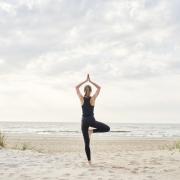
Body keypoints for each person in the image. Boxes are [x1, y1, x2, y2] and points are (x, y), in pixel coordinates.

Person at [75, 74, 110, 165]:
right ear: (90, 91)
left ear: (84, 91)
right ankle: (92, 132)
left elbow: (76, 87)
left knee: (86, 143)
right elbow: (99, 88)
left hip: (84, 122)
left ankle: (89, 162)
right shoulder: (93, 98)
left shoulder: (81, 98)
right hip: (91, 120)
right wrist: (90, 81)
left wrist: (85, 80)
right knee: (107, 128)